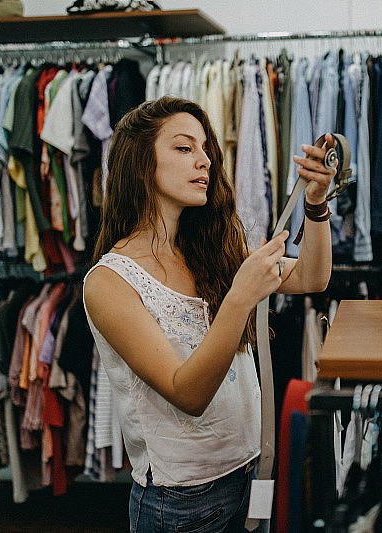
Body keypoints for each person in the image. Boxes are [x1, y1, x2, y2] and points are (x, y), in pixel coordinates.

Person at [82, 96, 337, 532]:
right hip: (178, 501)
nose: (205, 161)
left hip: (248, 473)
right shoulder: (109, 282)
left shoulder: (210, 251)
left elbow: (312, 277)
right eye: (184, 148)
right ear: (141, 164)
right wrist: (240, 297)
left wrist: (315, 202)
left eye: (205, 149)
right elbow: (188, 394)